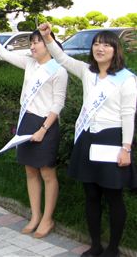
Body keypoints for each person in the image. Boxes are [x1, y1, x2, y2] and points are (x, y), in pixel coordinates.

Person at [40, 23, 136, 257]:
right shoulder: (87, 71)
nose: (99, 48)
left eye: (105, 44)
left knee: (113, 196)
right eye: (96, 44)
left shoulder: (126, 79)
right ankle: (95, 245)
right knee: (91, 194)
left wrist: (126, 148)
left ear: (115, 50)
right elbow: (61, 58)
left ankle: (113, 249)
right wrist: (47, 36)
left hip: (113, 139)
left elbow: (128, 114)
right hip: (88, 138)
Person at [0, 18, 67, 237]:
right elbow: (3, 53)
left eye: (38, 41)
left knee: (47, 172)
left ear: (49, 43)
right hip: (26, 121)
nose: (33, 45)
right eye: (32, 42)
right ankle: (35, 215)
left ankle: (47, 219)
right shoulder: (30, 63)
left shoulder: (59, 70)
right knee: (30, 171)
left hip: (46, 124)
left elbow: (58, 104)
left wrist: (43, 129)